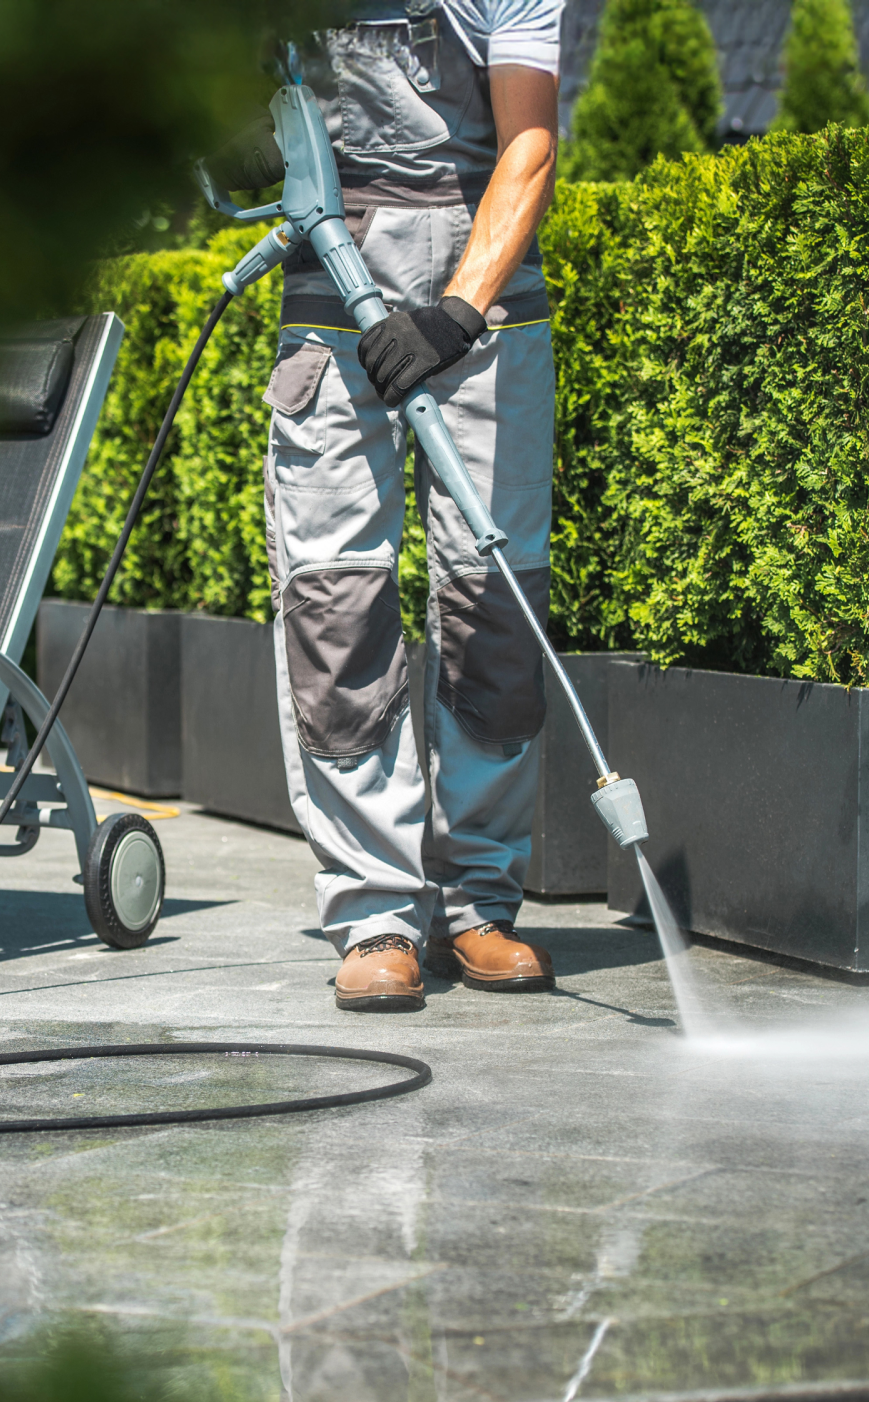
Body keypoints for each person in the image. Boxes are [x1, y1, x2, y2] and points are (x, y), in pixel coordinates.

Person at [260, 0, 562, 1011]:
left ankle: (479, 903)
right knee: (335, 604)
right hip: (330, 304)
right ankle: (375, 914)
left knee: (494, 603)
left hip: (485, 310)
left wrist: (456, 311)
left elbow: (528, 144)